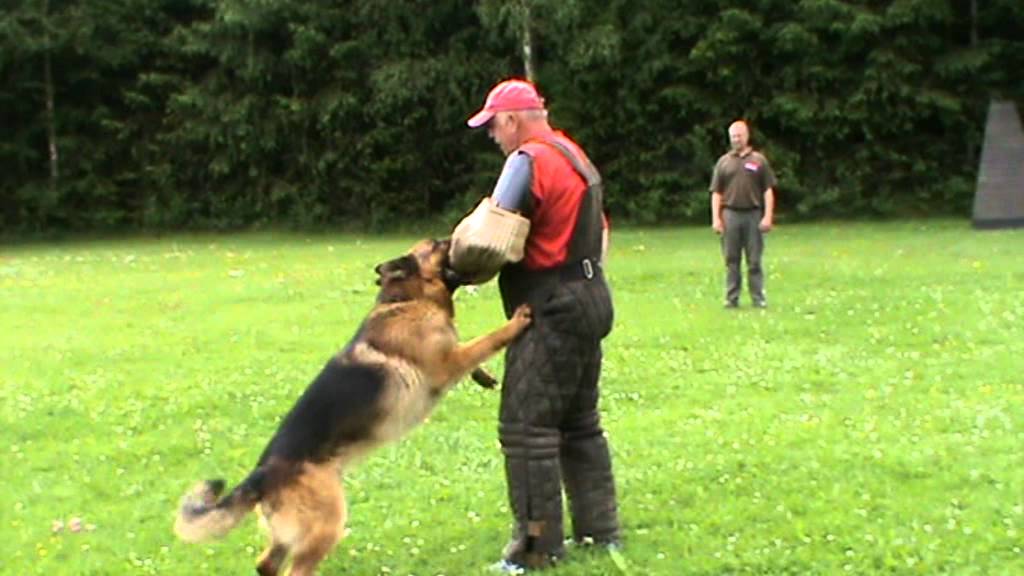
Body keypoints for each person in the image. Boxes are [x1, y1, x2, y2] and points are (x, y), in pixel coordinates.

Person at [457, 78, 620, 573]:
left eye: (493, 126)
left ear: (512, 119)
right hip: (592, 295)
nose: (493, 137)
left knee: (527, 429)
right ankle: (600, 531)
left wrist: (455, 270)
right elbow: (603, 229)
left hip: (550, 304)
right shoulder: (575, 155)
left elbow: (491, 232)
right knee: (579, 423)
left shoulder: (527, 160)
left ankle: (535, 549)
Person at [709, 120, 777, 308]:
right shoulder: (723, 162)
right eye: (733, 137)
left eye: (739, 136)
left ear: (746, 136)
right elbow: (716, 192)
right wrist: (716, 218)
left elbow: (768, 190)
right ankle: (732, 298)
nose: (736, 140)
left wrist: (768, 216)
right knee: (731, 260)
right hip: (730, 215)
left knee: (754, 260)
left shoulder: (758, 160)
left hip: (753, 215)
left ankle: (758, 298)